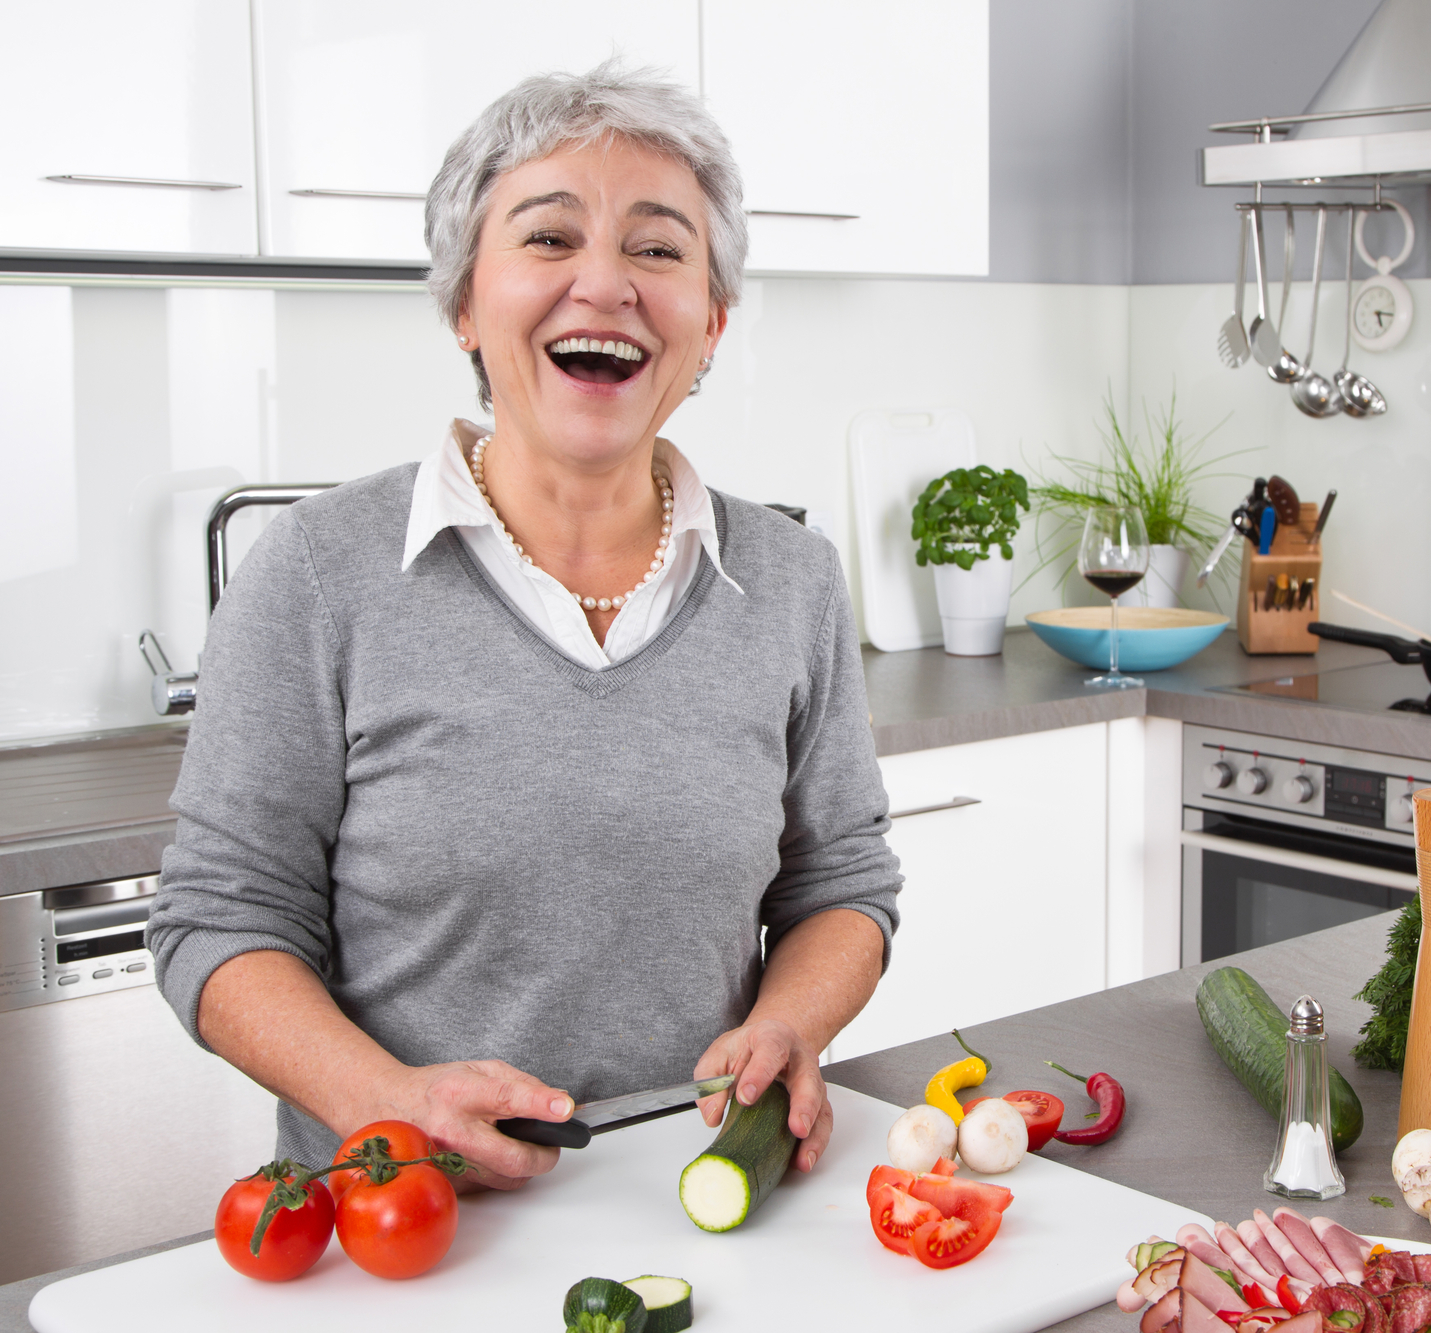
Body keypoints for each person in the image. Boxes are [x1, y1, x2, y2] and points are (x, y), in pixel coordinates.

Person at [146, 63, 899, 1192]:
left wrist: (793, 1020)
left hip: (700, 1205)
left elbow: (840, 882)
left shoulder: (791, 579)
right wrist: (380, 1102)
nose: (604, 282)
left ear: (711, 324)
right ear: (462, 302)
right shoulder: (311, 572)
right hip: (404, 1224)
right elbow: (215, 919)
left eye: (657, 249)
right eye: (548, 239)